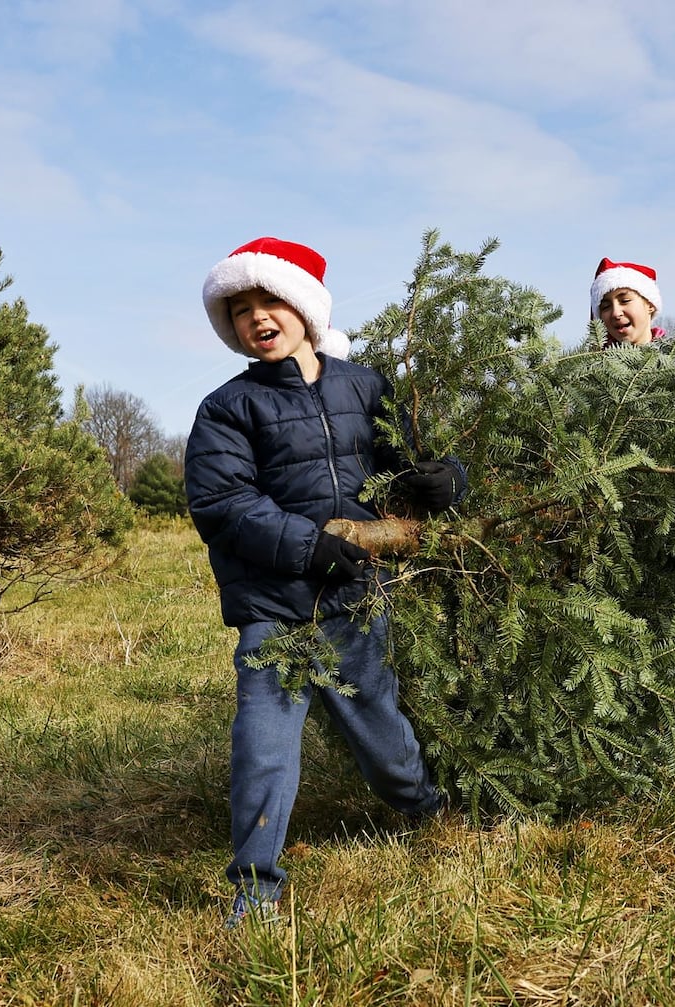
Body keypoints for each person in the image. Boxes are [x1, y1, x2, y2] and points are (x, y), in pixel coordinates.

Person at [185, 237, 464, 927]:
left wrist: (447, 476)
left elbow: (405, 466)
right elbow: (221, 504)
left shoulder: (364, 387)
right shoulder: (229, 409)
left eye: (270, 300)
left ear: (304, 306)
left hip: (354, 601)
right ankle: (255, 890)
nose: (257, 318)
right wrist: (308, 546)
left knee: (385, 739)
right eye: (241, 309)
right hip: (274, 611)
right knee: (264, 747)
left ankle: (426, 812)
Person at [591, 257, 675, 718]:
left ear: (649, 306)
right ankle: (630, 689)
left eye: (624, 300)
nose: (616, 312)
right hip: (616, 505)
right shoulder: (590, 372)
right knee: (625, 594)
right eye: (605, 306)